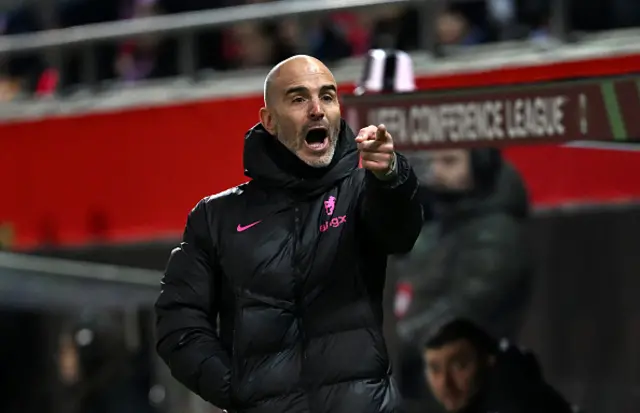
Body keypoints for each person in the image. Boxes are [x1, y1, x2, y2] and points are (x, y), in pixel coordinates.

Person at [155, 55, 423, 413]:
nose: (317, 109)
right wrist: (239, 391)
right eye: (299, 99)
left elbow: (400, 234)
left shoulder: (363, 190)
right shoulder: (215, 217)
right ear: (268, 120)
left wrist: (392, 177)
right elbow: (178, 322)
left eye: (327, 97)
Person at [391, 148, 532, 403]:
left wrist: (408, 332)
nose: (438, 172)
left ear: (480, 167)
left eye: (450, 161)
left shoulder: (496, 231)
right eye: (434, 162)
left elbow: (466, 308)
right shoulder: (447, 217)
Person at [422, 318, 578, 413]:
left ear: (489, 360)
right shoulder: (473, 399)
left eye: (459, 366)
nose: (445, 383)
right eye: (435, 369)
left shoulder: (514, 397)